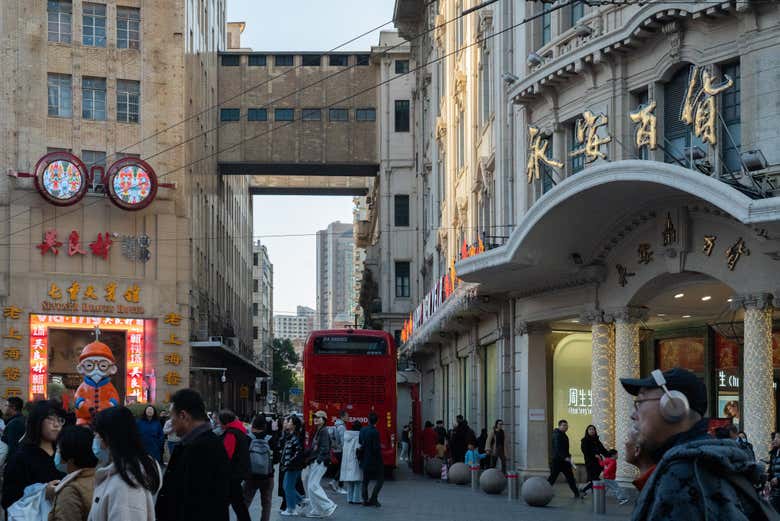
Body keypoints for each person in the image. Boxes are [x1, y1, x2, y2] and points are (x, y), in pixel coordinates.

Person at [622, 368, 775, 520]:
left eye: (640, 402)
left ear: (673, 406)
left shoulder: (682, 474)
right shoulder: (706, 463)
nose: (633, 414)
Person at [156, 389, 231, 521]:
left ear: (183, 416)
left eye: (172, 416)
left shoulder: (204, 448)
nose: (171, 422)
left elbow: (198, 502)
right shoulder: (192, 444)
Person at [87, 407, 161, 521]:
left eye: (97, 435)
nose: (96, 440)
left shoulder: (124, 488)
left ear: (109, 438)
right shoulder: (122, 472)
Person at [2, 400, 65, 511]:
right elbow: (9, 501)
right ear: (37, 421)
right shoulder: (21, 457)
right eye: (50, 419)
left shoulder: (64, 453)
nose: (56, 424)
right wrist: (43, 494)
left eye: (60, 420)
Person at [48, 425, 97, 521]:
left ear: (70, 460)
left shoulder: (70, 491)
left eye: (58, 450)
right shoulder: (98, 477)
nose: (56, 453)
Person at [217, 410, 252, 521]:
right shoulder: (239, 431)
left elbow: (226, 455)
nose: (218, 424)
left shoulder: (231, 434)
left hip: (232, 474)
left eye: (219, 422)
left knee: (232, 503)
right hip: (238, 472)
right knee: (237, 502)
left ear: (225, 422)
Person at [302, 410, 337, 518]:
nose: (316, 419)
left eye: (319, 417)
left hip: (320, 462)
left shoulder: (324, 431)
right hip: (316, 461)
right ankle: (316, 510)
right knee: (310, 487)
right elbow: (314, 448)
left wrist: (318, 460)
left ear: (324, 420)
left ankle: (328, 505)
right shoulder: (318, 430)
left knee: (313, 485)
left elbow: (325, 448)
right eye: (315, 417)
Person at [243, 415, 275, 521]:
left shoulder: (248, 438)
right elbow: (277, 458)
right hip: (268, 476)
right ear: (265, 426)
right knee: (266, 504)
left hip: (251, 476)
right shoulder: (270, 438)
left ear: (253, 424)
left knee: (245, 502)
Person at [279, 415, 306, 517]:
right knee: (286, 486)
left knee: (288, 487)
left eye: (289, 422)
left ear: (294, 425)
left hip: (293, 466)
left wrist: (289, 462)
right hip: (290, 466)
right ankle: (301, 500)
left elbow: (297, 453)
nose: (287, 423)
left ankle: (291, 509)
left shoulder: (296, 437)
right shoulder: (290, 435)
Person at [547, 419, 580, 499]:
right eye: (564, 425)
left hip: (564, 461)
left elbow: (565, 449)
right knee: (553, 478)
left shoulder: (563, 434)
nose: (566, 427)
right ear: (559, 426)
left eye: (566, 425)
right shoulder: (557, 435)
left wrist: (568, 456)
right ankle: (544, 491)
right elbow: (558, 449)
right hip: (557, 461)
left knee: (570, 478)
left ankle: (577, 493)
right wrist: (565, 457)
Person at [359, 412, 384, 507]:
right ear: (377, 421)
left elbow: (360, 442)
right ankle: (374, 498)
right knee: (380, 480)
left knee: (365, 481)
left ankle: (365, 500)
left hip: (364, 459)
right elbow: (376, 448)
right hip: (375, 460)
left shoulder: (363, 430)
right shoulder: (375, 432)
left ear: (368, 420)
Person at [580, 424, 607, 497]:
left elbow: (603, 450)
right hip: (590, 462)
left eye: (593, 429)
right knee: (595, 479)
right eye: (590, 429)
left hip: (598, 462)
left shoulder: (597, 441)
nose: (592, 431)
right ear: (587, 431)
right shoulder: (584, 440)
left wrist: (610, 455)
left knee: (596, 479)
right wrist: (594, 455)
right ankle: (585, 491)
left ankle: (589, 492)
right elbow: (585, 451)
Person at [340, 420, 363, 505]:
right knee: (357, 480)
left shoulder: (347, 436)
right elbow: (358, 449)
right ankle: (356, 499)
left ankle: (349, 498)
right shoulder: (358, 437)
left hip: (346, 461)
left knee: (350, 481)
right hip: (355, 460)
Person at [328, 410, 348, 494]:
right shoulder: (342, 427)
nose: (348, 417)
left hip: (335, 450)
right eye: (347, 416)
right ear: (342, 417)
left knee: (341, 467)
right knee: (343, 468)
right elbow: (343, 440)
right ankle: (339, 486)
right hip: (340, 450)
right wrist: (346, 449)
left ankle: (334, 482)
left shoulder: (336, 425)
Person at [768, 433, 780, 513]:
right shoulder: (774, 452)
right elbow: (771, 469)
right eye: (775, 437)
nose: (775, 439)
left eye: (778, 437)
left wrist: (778, 479)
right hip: (775, 489)